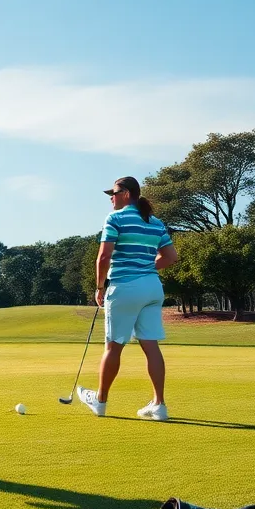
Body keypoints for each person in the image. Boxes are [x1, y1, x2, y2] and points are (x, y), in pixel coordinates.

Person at [76, 176, 179, 420]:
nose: (111, 198)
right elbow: (171, 256)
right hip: (152, 288)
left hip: (124, 287)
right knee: (151, 345)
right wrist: (147, 268)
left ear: (125, 194)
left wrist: (99, 287)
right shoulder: (155, 222)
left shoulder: (115, 218)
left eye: (113, 193)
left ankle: (100, 401)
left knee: (113, 347)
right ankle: (159, 405)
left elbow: (103, 257)